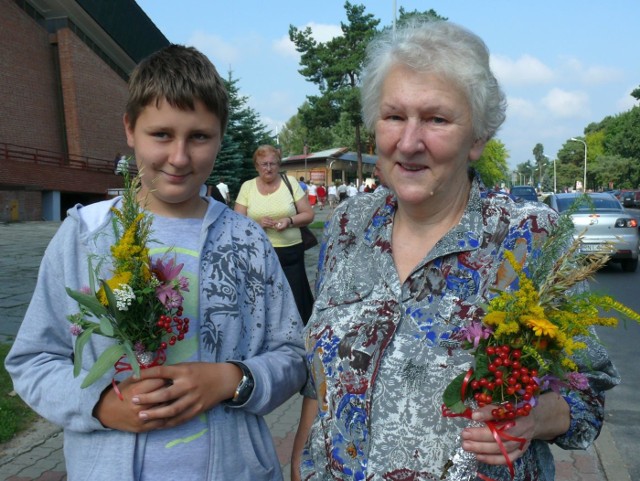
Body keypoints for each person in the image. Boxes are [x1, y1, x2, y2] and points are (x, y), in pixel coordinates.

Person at [290, 20, 619, 481]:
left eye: (436, 119)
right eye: (394, 116)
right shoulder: (347, 227)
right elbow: (319, 381)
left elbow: (589, 395)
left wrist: (533, 417)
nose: (408, 142)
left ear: (478, 138)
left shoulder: (530, 240)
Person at [5, 44, 306, 481]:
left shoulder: (246, 239)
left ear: (220, 135)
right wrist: (101, 405)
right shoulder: (85, 237)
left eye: (199, 136)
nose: (179, 157)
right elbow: (32, 360)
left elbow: (292, 355)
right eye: (161, 134)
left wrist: (231, 379)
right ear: (130, 129)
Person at [235, 145, 315, 325]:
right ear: (256, 166)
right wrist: (256, 224)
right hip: (257, 252)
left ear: (279, 165)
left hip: (290, 252)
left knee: (296, 296)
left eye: (272, 163)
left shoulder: (290, 183)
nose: (268, 168)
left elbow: (308, 214)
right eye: (264, 164)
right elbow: (237, 222)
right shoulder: (247, 187)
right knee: (262, 297)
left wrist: (289, 221)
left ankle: (302, 335)